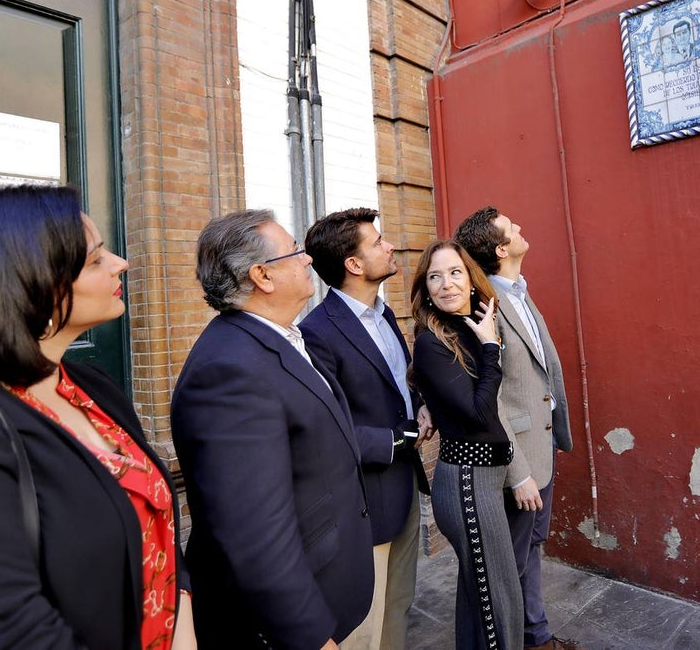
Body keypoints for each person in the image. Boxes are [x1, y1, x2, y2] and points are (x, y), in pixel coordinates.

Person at [0, 184, 194, 650]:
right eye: (97, 259)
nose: (121, 263)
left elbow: (156, 523)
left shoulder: (93, 387)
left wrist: (182, 611)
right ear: (26, 281)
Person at [171, 209, 373, 650]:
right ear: (262, 275)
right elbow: (253, 532)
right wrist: (310, 635)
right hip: (283, 626)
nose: (307, 261)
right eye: (295, 252)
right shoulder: (229, 370)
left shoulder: (279, 336)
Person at [300, 207, 434, 650]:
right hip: (364, 500)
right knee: (366, 623)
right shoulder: (317, 332)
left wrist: (420, 407)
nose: (389, 245)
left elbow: (398, 382)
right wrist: (397, 441)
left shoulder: (385, 314)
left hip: (406, 487)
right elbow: (325, 429)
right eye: (377, 242)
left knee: (399, 603)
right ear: (353, 265)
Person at [455, 207, 578, 650]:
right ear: (501, 248)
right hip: (517, 458)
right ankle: (519, 640)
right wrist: (518, 470)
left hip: (540, 446)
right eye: (513, 228)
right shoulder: (483, 303)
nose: (522, 227)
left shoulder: (519, 292)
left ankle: (536, 636)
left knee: (529, 551)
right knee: (509, 562)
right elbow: (494, 398)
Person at [410, 240, 522, 650]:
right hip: (467, 485)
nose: (446, 284)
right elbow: (476, 414)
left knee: (483, 598)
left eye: (455, 272)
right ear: (425, 288)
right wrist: (491, 348)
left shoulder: (474, 325)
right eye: (434, 276)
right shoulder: (432, 341)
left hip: (488, 479)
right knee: (500, 600)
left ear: (471, 279)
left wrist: (488, 340)